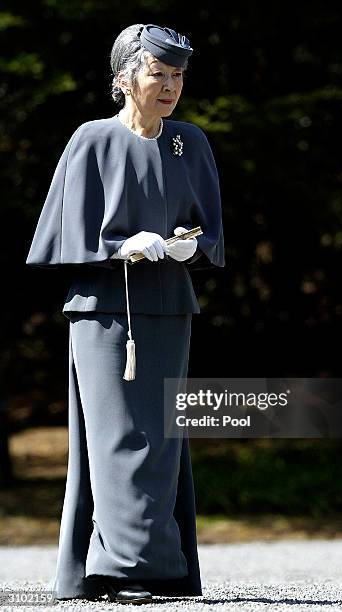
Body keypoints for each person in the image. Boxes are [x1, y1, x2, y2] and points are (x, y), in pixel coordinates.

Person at [25, 23, 225, 605]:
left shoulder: (189, 142)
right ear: (124, 79)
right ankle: (121, 569)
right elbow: (63, 233)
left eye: (178, 76)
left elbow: (211, 231)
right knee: (116, 439)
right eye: (157, 73)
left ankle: (161, 565)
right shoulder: (91, 139)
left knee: (162, 438)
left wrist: (193, 244)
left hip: (169, 308)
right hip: (106, 314)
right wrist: (120, 248)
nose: (169, 86)